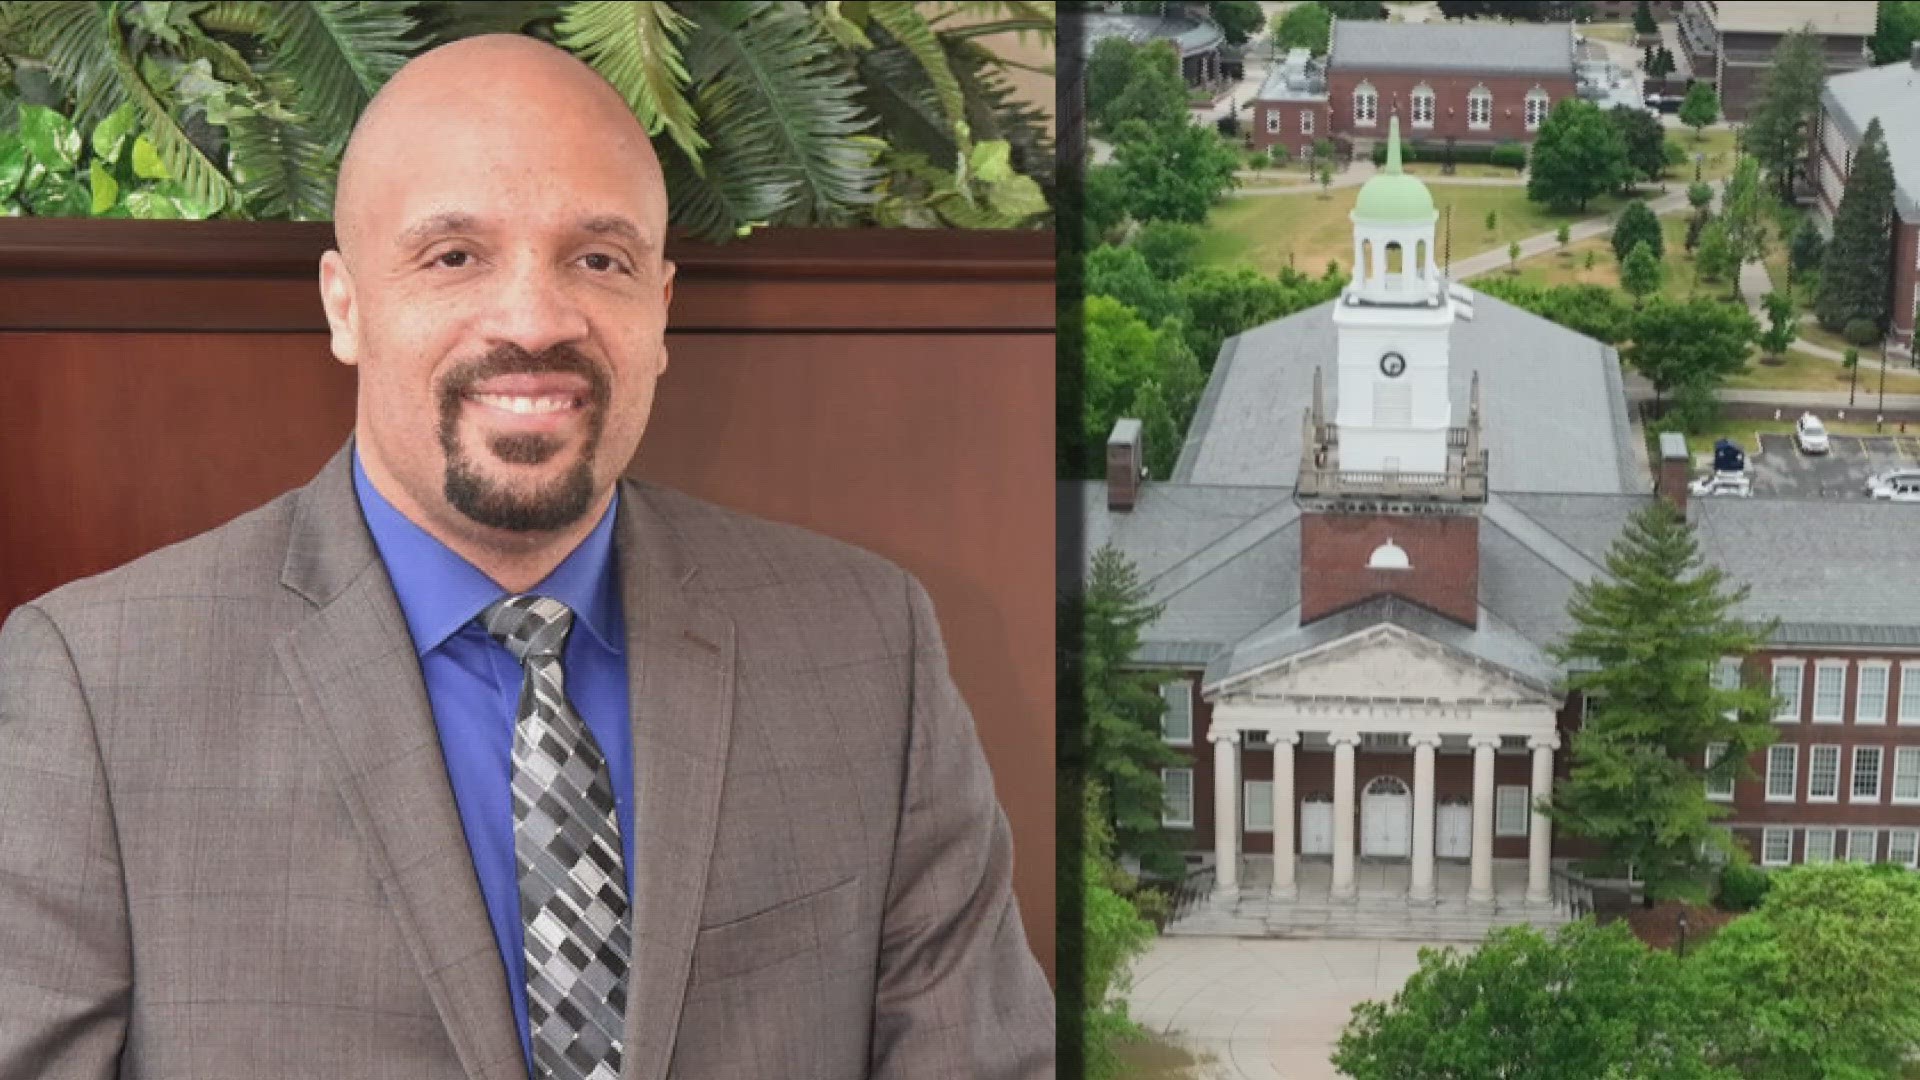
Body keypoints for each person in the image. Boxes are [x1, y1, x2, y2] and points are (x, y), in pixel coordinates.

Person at [0, 34, 1053, 1080]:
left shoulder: (868, 647)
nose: (536, 319)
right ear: (345, 304)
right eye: (455, 256)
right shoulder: (99, 686)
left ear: (661, 307)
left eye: (599, 259)